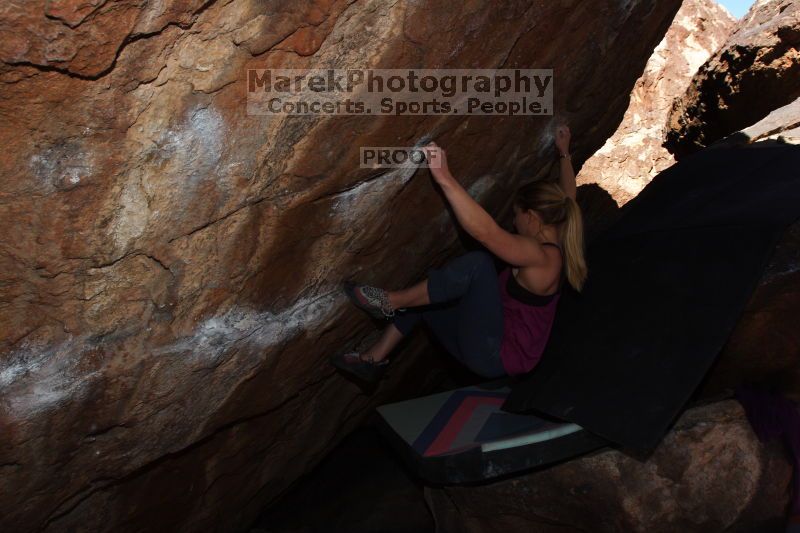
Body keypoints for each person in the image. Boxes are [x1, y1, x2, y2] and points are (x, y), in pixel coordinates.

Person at [331, 124, 587, 382]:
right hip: (490, 342)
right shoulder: (562, 231)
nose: (514, 221)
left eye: (517, 215)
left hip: (493, 354)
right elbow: (568, 197)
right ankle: (371, 361)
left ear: (532, 218)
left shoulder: (543, 257)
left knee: (478, 265)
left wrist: (445, 177)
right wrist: (564, 154)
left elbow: (486, 233)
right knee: (432, 291)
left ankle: (391, 301)